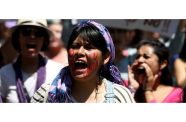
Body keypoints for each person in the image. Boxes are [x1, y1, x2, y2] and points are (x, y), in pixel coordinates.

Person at [31, 20, 135, 103]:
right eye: (75, 46)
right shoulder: (46, 94)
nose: (79, 52)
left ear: (106, 57)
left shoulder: (120, 96)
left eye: (89, 47)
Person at [0, 19, 64, 103]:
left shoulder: (58, 71)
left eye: (38, 33)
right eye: (26, 32)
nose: (32, 36)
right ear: (18, 37)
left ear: (44, 39)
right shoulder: (4, 73)